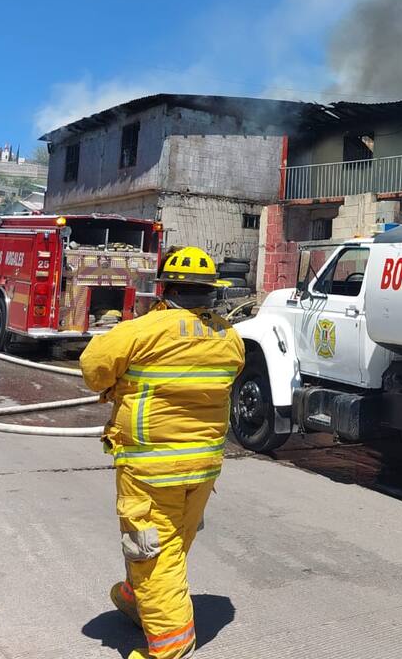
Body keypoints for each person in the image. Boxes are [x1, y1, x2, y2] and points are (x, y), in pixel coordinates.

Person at [80, 246, 244, 659]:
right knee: (172, 544)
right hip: (204, 467)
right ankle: (140, 600)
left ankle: (170, 646)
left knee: (153, 555)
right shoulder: (230, 337)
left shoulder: (140, 331)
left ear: (164, 289)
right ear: (211, 292)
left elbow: (92, 369)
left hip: (150, 471)